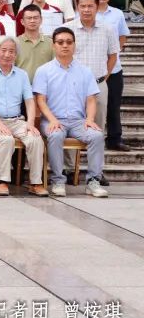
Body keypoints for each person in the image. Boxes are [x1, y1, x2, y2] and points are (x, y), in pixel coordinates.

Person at [34, 28, 108, 198]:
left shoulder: (85, 71)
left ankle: (93, 181)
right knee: (55, 135)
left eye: (69, 42)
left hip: (78, 121)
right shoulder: (44, 71)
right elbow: (40, 100)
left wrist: (90, 119)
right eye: (60, 42)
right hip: (53, 120)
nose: (65, 45)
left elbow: (91, 99)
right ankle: (58, 180)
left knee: (97, 136)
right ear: (53, 45)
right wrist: (52, 120)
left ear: (74, 45)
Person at [0, 37, 48, 197]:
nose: (7, 54)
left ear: (16, 55)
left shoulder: (22, 75)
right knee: (6, 139)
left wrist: (30, 123)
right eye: (3, 50)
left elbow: (29, 101)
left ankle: (35, 183)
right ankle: (2, 181)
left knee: (35, 138)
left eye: (12, 51)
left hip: (16, 120)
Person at [67, 0, 118, 185]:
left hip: (98, 85)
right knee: (70, 125)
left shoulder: (108, 29)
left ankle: (97, 170)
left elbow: (113, 55)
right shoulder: (68, 28)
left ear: (97, 7)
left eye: (90, 6)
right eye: (83, 6)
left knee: (98, 127)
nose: (86, 10)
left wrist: (104, 76)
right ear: (77, 7)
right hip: (72, 86)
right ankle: (70, 169)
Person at [92, 0, 130, 153]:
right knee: (89, 104)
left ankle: (114, 139)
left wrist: (113, 53)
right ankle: (88, 137)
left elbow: (123, 36)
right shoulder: (85, 12)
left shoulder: (117, 14)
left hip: (113, 68)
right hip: (92, 70)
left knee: (113, 105)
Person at [15, 5, 54, 81]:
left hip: (45, 86)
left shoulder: (51, 43)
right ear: (22, 21)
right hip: (21, 86)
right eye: (29, 18)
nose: (32, 21)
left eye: (35, 18)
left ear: (41, 20)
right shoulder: (15, 43)